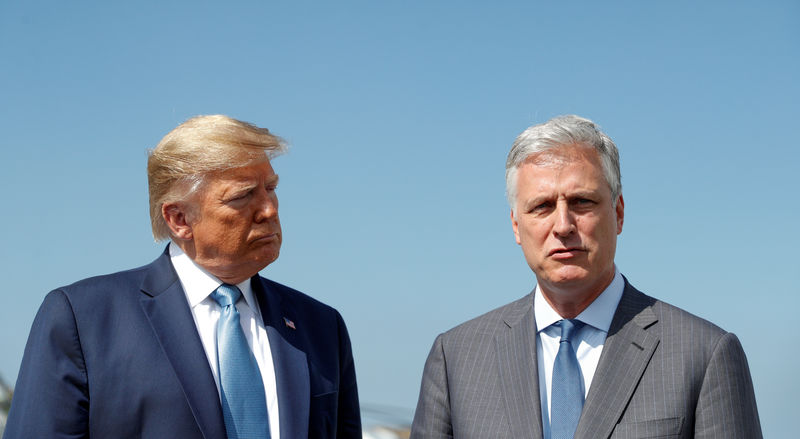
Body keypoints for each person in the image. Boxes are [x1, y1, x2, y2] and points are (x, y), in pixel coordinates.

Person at [4, 115, 361, 439]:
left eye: (271, 188)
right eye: (243, 196)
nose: (269, 209)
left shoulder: (321, 327)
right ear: (179, 219)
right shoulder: (83, 320)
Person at [410, 115, 761, 438]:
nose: (562, 226)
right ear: (517, 226)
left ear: (619, 213)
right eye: (542, 207)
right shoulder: (456, 357)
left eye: (581, 202)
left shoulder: (703, 354)